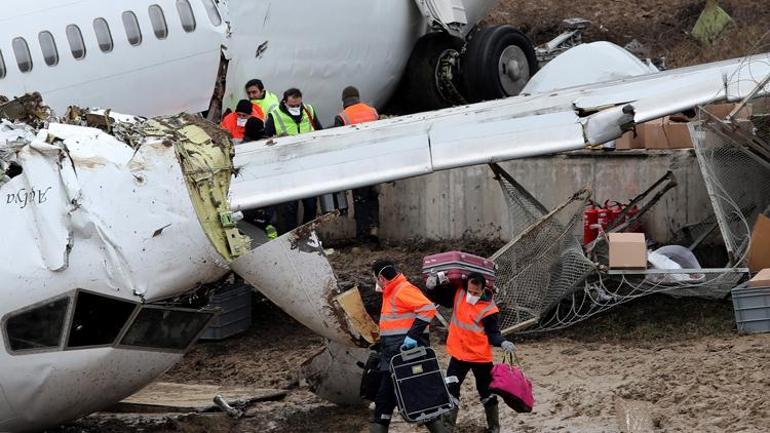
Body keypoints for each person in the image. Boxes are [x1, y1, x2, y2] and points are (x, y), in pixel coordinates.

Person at [426, 271, 517, 433]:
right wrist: (432, 287)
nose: (472, 295)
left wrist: (503, 342)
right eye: (470, 291)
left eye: (476, 292)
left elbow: (493, 334)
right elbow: (438, 297)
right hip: (459, 356)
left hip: (480, 358)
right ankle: (447, 427)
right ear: (466, 287)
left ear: (483, 290)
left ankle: (494, 428)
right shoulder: (459, 294)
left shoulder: (489, 309)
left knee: (486, 392)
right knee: (451, 389)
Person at [370, 260, 447, 433]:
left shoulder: (402, 289)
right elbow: (395, 323)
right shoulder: (390, 292)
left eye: (375, 278)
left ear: (381, 278)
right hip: (393, 355)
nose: (375, 282)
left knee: (413, 398)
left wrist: (412, 336)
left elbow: (427, 309)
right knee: (390, 400)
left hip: (406, 356)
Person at [265, 88, 323, 232]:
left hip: (307, 166)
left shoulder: (308, 110)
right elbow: (265, 142)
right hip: (287, 169)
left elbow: (320, 132)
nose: (296, 108)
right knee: (290, 208)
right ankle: (293, 238)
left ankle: (307, 234)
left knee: (311, 205)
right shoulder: (275, 116)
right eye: (293, 106)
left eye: (298, 105)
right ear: (285, 102)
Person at [333, 86, 381, 242]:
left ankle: (362, 236)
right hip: (374, 162)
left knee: (360, 200)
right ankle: (374, 229)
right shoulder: (372, 111)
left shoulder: (343, 117)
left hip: (357, 164)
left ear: (344, 101)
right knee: (373, 197)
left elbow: (338, 143)